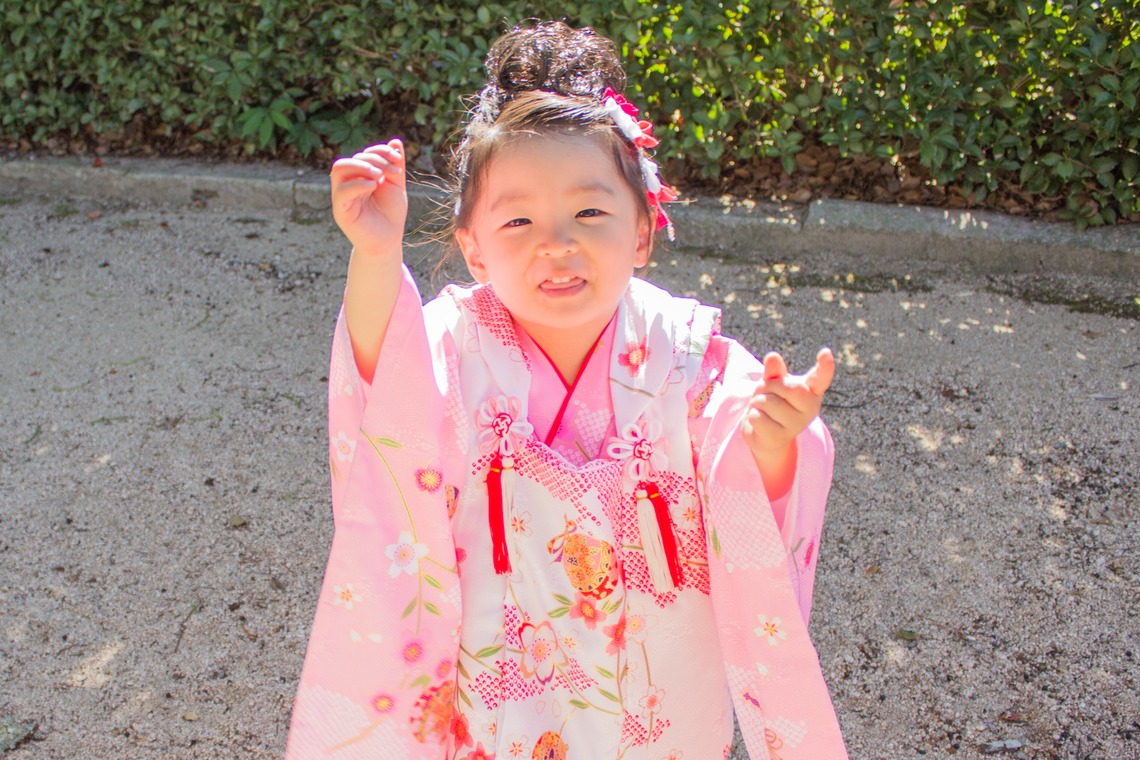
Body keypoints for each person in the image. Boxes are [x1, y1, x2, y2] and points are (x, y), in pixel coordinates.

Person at [286, 20, 846, 760]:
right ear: (472, 246)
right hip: (505, 673)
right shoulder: (454, 344)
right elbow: (385, 388)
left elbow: (740, 473)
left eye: (590, 212)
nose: (557, 242)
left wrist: (773, 443)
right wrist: (377, 252)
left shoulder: (684, 353)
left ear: (644, 231)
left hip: (659, 683)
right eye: (517, 219)